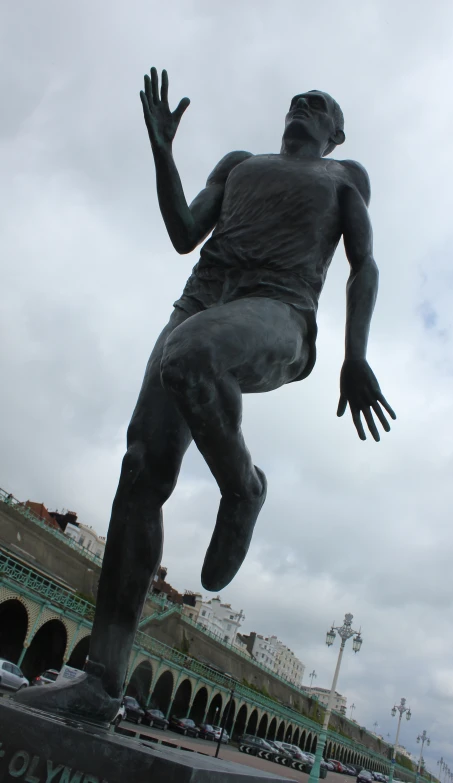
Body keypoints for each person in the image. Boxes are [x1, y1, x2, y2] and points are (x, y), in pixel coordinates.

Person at [15, 68, 395, 723]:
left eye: (320, 104)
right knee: (140, 470)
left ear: (335, 133)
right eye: (297, 98)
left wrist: (353, 354)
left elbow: (365, 264)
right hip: (197, 304)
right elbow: (184, 230)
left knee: (192, 354)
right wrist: (164, 155)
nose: (303, 103)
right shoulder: (240, 164)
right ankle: (101, 681)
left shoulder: (345, 177)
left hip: (278, 313)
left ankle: (242, 485)